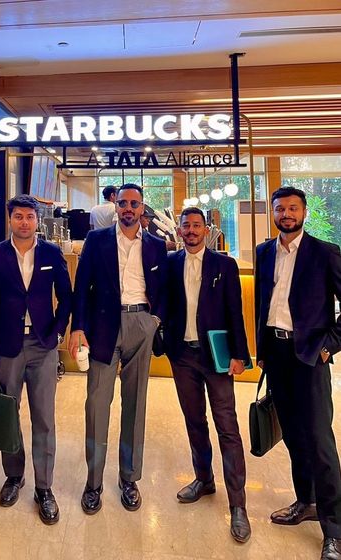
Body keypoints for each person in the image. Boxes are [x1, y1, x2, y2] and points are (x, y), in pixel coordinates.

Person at [69, 183, 167, 514]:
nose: (128, 208)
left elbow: (164, 288)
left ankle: (129, 478)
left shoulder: (156, 245)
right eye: (123, 203)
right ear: (116, 207)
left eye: (134, 204)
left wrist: (155, 320)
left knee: (135, 404)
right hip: (102, 327)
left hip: (141, 323)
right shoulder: (96, 240)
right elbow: (81, 286)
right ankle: (93, 482)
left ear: (142, 208)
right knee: (97, 405)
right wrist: (78, 327)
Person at [255, 186, 341, 560]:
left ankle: (334, 529)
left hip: (310, 356)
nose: (286, 214)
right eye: (280, 208)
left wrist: (328, 346)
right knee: (292, 435)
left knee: (320, 441)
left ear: (304, 212)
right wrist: (262, 352)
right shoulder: (264, 252)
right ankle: (305, 501)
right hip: (277, 356)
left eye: (293, 208)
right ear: (273, 213)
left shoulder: (325, 253)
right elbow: (263, 303)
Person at [0, 194, 72, 525]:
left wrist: (57, 333)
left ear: (37, 220)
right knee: (8, 414)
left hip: (43, 345)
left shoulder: (51, 253)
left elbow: (66, 297)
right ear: (10, 219)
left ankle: (44, 488)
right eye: (18, 216)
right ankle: (14, 476)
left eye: (29, 217)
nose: (24, 222)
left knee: (44, 418)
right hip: (7, 346)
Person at [164, 207, 251, 543]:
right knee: (194, 421)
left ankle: (238, 505)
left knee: (227, 426)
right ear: (179, 231)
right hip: (182, 355)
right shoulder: (171, 263)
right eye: (186, 225)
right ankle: (204, 478)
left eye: (196, 225)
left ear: (206, 229)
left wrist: (240, 355)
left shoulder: (224, 265)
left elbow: (235, 311)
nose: (191, 230)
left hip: (216, 356)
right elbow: (164, 305)